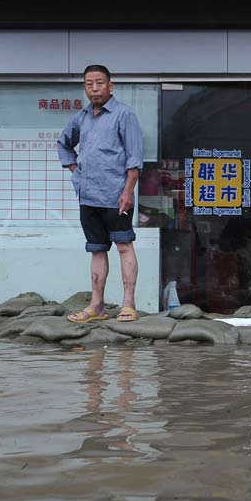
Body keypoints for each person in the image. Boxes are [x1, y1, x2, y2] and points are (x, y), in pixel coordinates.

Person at [58, 65, 144, 323]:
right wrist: (76, 172)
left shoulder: (124, 115)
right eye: (88, 84)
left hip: (117, 195)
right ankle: (96, 306)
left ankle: (129, 304)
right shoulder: (81, 117)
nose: (94, 88)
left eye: (99, 83)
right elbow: (64, 143)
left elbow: (135, 158)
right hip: (88, 196)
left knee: (124, 246)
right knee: (96, 249)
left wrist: (128, 191)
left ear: (110, 86)